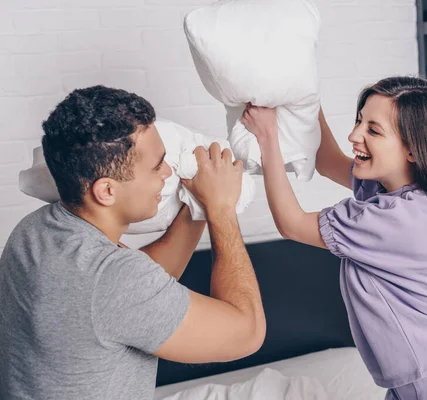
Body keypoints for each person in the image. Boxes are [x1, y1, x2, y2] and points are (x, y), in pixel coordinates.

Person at [241, 76, 427, 399]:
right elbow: (327, 160)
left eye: (373, 130)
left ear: (413, 149)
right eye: (359, 121)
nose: (354, 135)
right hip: (422, 384)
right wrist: (304, 91)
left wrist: (267, 136)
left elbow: (291, 223)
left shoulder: (400, 221)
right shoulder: (397, 192)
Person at [0, 86, 266, 400]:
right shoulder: (114, 280)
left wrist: (198, 205)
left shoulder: (33, 232)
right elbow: (247, 333)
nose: (167, 173)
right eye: (157, 166)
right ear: (107, 191)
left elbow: (139, 287)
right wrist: (222, 209)